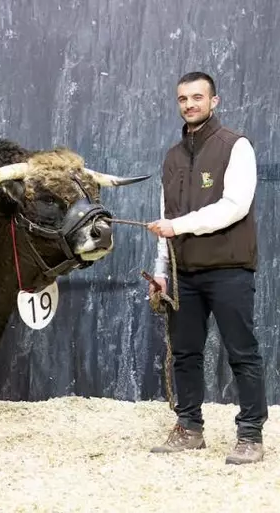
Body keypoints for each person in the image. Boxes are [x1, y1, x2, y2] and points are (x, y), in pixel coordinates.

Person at [147, 71, 267, 464]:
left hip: (229, 268)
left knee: (242, 353)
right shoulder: (172, 156)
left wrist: (177, 226)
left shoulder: (237, 146)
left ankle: (250, 435)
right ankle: (189, 428)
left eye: (197, 97)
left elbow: (235, 206)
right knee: (185, 353)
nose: (190, 104)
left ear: (214, 101)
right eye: (183, 99)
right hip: (184, 275)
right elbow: (165, 217)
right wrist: (161, 271)